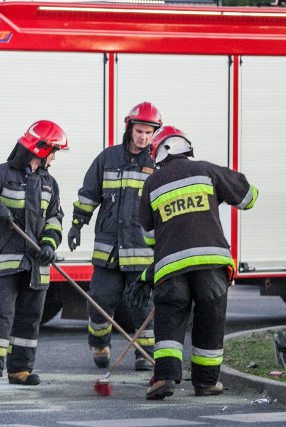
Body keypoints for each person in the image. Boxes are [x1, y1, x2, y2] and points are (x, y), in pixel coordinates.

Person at [132, 125, 258, 400]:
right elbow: (248, 197)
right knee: (210, 321)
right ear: (185, 147)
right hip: (212, 263)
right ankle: (206, 383)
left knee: (170, 320)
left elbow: (149, 235)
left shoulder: (152, 183)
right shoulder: (207, 170)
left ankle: (164, 379)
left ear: (159, 154)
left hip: (171, 266)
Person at [0, 120, 68, 388]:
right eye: (54, 150)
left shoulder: (49, 184)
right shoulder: (2, 174)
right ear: (41, 149)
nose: (55, 156)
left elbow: (55, 218)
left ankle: (20, 370)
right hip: (7, 258)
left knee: (30, 317)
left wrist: (48, 245)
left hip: (36, 262)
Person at [67, 102, 162, 371]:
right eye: (139, 131)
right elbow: (89, 195)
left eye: (149, 133)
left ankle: (144, 354)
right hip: (108, 249)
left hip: (141, 252)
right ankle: (100, 345)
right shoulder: (107, 158)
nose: (143, 137)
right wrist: (77, 224)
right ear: (129, 128)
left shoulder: (157, 164)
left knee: (142, 307)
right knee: (99, 301)